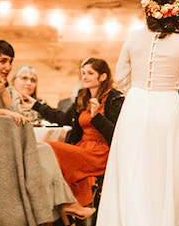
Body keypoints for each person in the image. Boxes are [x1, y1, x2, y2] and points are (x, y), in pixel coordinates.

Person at [92, 0, 179, 226]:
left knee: (133, 175)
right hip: (167, 109)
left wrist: (140, 89)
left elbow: (121, 80)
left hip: (136, 107)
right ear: (177, 8)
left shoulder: (133, 38)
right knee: (164, 177)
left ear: (147, 7)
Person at [0, 40, 92, 226]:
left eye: (10, 61)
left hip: (15, 148)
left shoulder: (9, 90)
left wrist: (3, 94)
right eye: (3, 61)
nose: (7, 67)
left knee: (46, 151)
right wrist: (0, 111)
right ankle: (63, 208)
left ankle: (64, 207)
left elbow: (21, 121)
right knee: (44, 154)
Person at [32, 58, 124, 206]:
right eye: (83, 73)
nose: (84, 77)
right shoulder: (83, 96)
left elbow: (117, 134)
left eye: (90, 73)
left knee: (49, 147)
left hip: (101, 152)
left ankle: (65, 212)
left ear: (103, 76)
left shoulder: (114, 98)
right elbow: (63, 118)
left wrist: (96, 117)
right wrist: (37, 105)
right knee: (47, 156)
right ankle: (57, 214)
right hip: (82, 148)